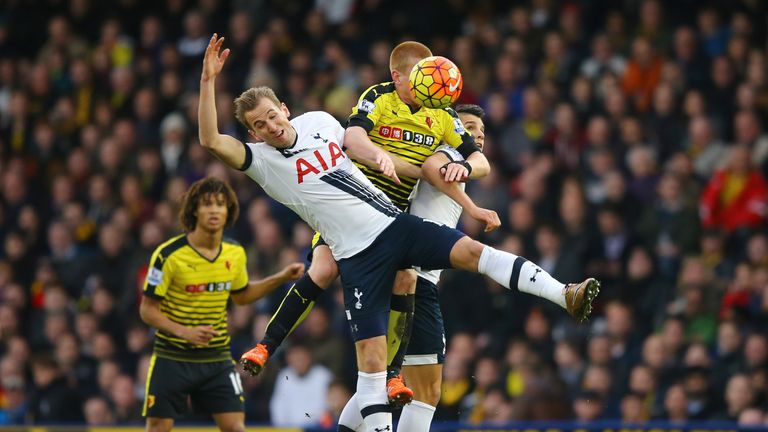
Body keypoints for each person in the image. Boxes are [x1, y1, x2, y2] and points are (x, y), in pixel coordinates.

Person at [198, 34, 599, 432]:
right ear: (253, 134)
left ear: (285, 108)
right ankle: (269, 346)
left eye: (272, 114)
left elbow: (370, 147)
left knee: (468, 256)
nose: (271, 125)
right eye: (260, 124)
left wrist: (455, 188)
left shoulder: (322, 121)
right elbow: (214, 140)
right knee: (353, 334)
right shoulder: (266, 159)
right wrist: (208, 81)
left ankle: (562, 293)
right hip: (354, 253)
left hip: (394, 223)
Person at [240, 40, 493, 408]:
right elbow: (352, 139)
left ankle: (392, 376)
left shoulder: (442, 115)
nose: (425, 84)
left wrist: (461, 173)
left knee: (406, 278)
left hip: (391, 219)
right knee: (323, 269)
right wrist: (380, 156)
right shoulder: (378, 97)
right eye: (418, 76)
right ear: (398, 76)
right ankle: (266, 346)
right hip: (348, 210)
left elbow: (477, 161)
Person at [139, 177, 305, 432]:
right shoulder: (167, 255)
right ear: (194, 209)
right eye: (207, 204)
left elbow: (242, 295)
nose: (215, 210)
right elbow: (147, 310)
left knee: (236, 427)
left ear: (229, 211)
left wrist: (281, 277)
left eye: (220, 204)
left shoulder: (234, 252)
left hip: (216, 357)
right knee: (158, 427)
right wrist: (186, 332)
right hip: (173, 356)